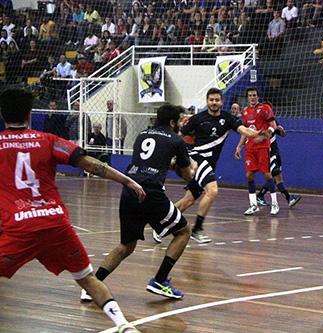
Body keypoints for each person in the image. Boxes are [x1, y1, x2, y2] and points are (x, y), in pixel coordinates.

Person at [0, 88, 144, 333]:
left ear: (3, 114)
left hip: (19, 228)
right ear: (30, 113)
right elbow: (92, 164)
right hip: (56, 224)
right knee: (87, 278)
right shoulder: (48, 140)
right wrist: (127, 180)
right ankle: (124, 326)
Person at [81, 104, 194, 303]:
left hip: (130, 190)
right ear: (172, 122)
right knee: (183, 232)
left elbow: (149, 161)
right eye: (179, 121)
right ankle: (159, 280)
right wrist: (187, 169)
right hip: (151, 194)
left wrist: (171, 164)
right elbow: (186, 175)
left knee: (126, 245)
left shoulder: (143, 134)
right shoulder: (177, 140)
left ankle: (93, 285)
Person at [159, 88, 267, 244]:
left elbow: (243, 130)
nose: (214, 103)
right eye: (211, 100)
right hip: (197, 158)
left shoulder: (227, 118)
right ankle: (197, 229)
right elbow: (180, 135)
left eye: (217, 100)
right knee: (212, 190)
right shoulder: (198, 118)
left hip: (209, 164)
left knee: (189, 200)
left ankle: (159, 225)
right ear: (207, 101)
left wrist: (257, 134)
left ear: (222, 102)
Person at [235, 87, 279, 216]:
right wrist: (239, 146)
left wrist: (265, 136)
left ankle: (275, 204)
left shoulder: (265, 108)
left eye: (254, 95)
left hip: (263, 147)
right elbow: (245, 131)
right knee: (249, 175)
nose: (252, 97)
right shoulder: (245, 111)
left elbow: (273, 126)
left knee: (267, 174)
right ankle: (253, 205)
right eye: (250, 95)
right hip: (250, 148)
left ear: (258, 97)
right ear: (247, 97)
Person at [254, 120, 302, 209]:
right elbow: (258, 138)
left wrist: (281, 130)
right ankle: (288, 198)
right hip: (269, 153)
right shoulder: (260, 123)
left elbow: (283, 135)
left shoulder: (273, 122)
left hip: (276, 152)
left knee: (277, 176)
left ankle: (260, 196)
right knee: (275, 175)